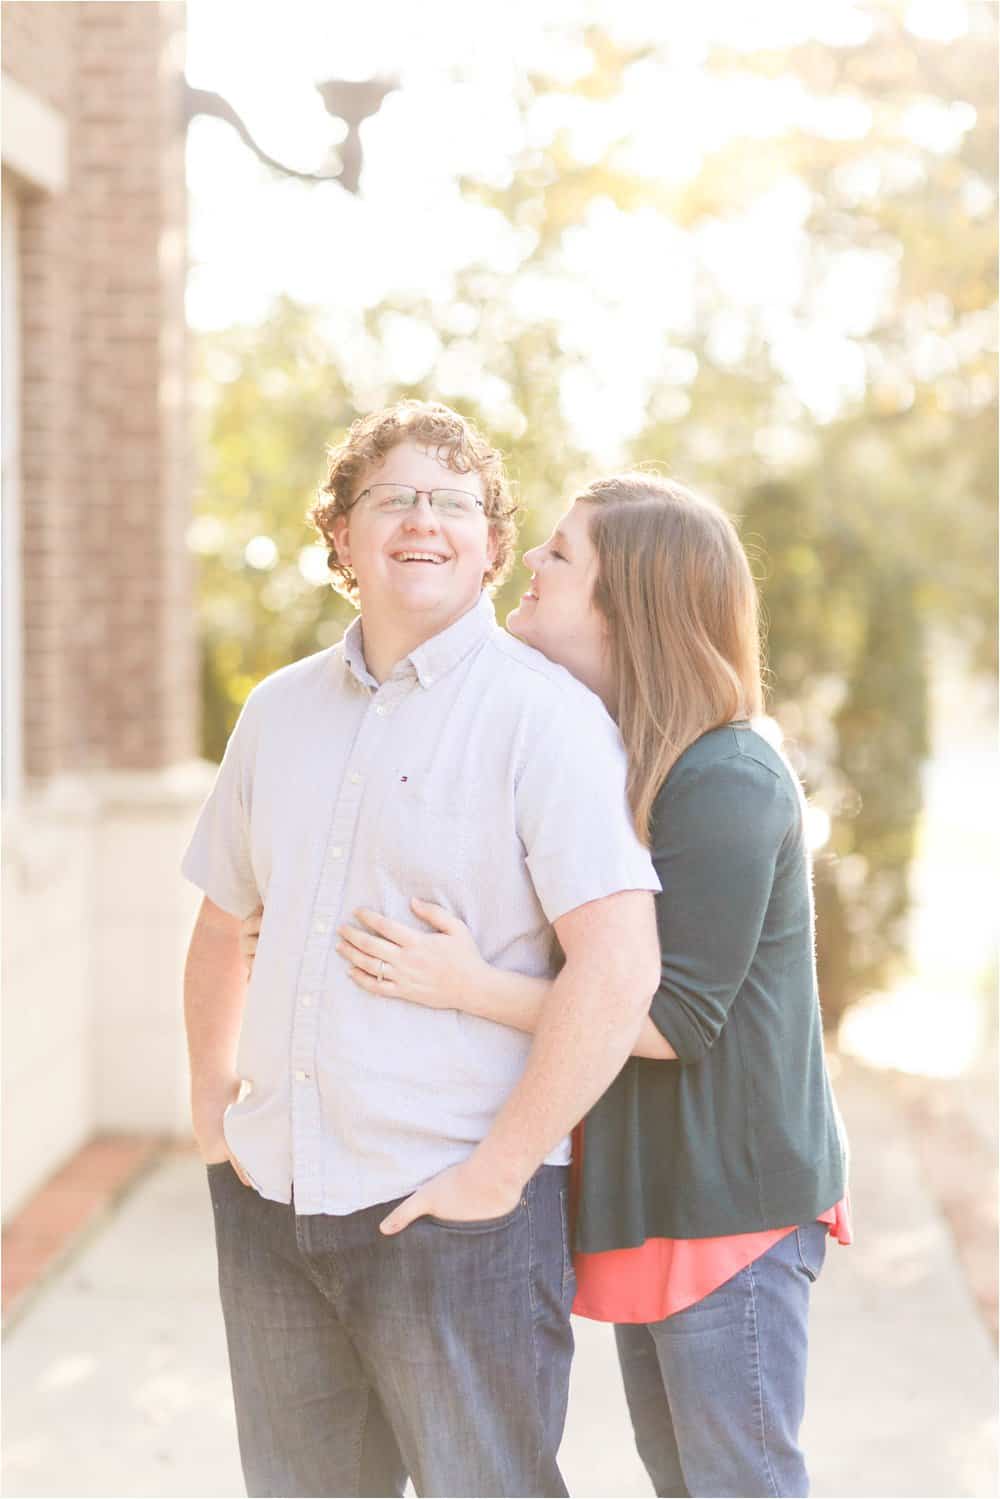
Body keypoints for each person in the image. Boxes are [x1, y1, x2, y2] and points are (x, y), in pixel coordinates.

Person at [243, 472, 850, 1498]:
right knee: (689, 1477)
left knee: (735, 1480)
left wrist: (464, 982)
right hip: (664, 1191)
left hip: (729, 1201)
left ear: (632, 601)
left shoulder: (726, 776)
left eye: (561, 553)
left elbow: (667, 1016)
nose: (530, 561)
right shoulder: (628, 758)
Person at [181, 400, 662, 1499]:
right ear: (340, 534)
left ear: (494, 544)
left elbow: (619, 961)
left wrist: (499, 1170)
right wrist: (214, 1112)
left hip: (455, 1218)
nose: (421, 520)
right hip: (272, 1195)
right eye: (389, 497)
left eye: (451, 501)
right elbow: (222, 922)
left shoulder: (544, 719)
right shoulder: (277, 711)